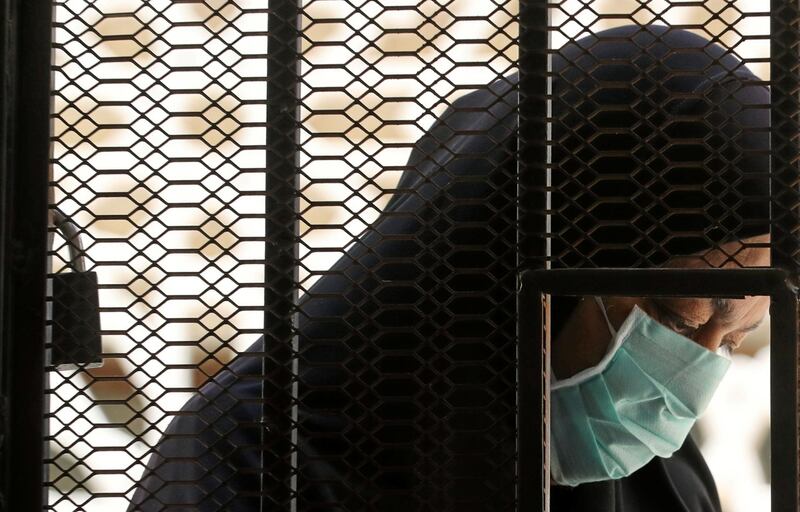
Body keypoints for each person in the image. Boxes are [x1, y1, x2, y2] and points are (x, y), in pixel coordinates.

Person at [128, 24, 770, 511]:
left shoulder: (654, 482)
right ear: (550, 260)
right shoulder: (257, 457)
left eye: (736, 338)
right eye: (677, 320)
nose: (690, 382)